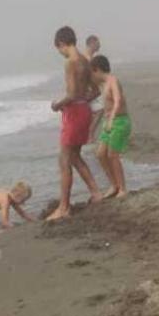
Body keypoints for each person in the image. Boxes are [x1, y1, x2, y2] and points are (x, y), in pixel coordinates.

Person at [48, 26, 101, 221]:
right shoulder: (86, 62)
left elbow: (70, 94)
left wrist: (57, 105)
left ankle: (64, 207)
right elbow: (95, 91)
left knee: (64, 160)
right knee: (75, 157)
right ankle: (96, 192)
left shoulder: (70, 63)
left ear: (62, 44)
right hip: (84, 111)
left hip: (74, 113)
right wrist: (80, 102)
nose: (60, 54)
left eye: (59, 49)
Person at [90, 55, 131, 198]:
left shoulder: (113, 80)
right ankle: (114, 185)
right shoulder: (103, 85)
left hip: (119, 121)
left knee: (112, 155)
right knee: (100, 154)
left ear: (97, 70)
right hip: (108, 122)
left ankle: (123, 189)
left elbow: (118, 100)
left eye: (92, 73)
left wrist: (111, 119)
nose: (92, 77)